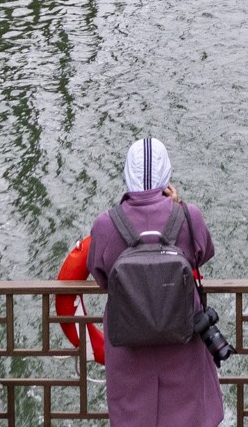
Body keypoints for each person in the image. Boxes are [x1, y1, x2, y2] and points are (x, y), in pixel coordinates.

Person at [84, 136, 222, 427]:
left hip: (130, 355)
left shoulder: (105, 224)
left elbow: (101, 277)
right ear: (166, 173)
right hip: (182, 343)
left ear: (127, 174)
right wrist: (178, 205)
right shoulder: (188, 215)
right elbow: (203, 253)